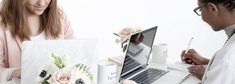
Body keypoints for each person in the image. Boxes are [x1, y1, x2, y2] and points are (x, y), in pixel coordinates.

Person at [0, 0, 74, 83]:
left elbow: (75, 53)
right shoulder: (2, 23)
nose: (41, 3)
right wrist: (23, 73)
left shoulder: (59, 15)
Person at [181, 0, 235, 83]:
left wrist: (206, 75)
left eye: (200, 9)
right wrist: (205, 62)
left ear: (212, 8)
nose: (201, 16)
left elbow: (226, 64)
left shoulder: (226, 57)